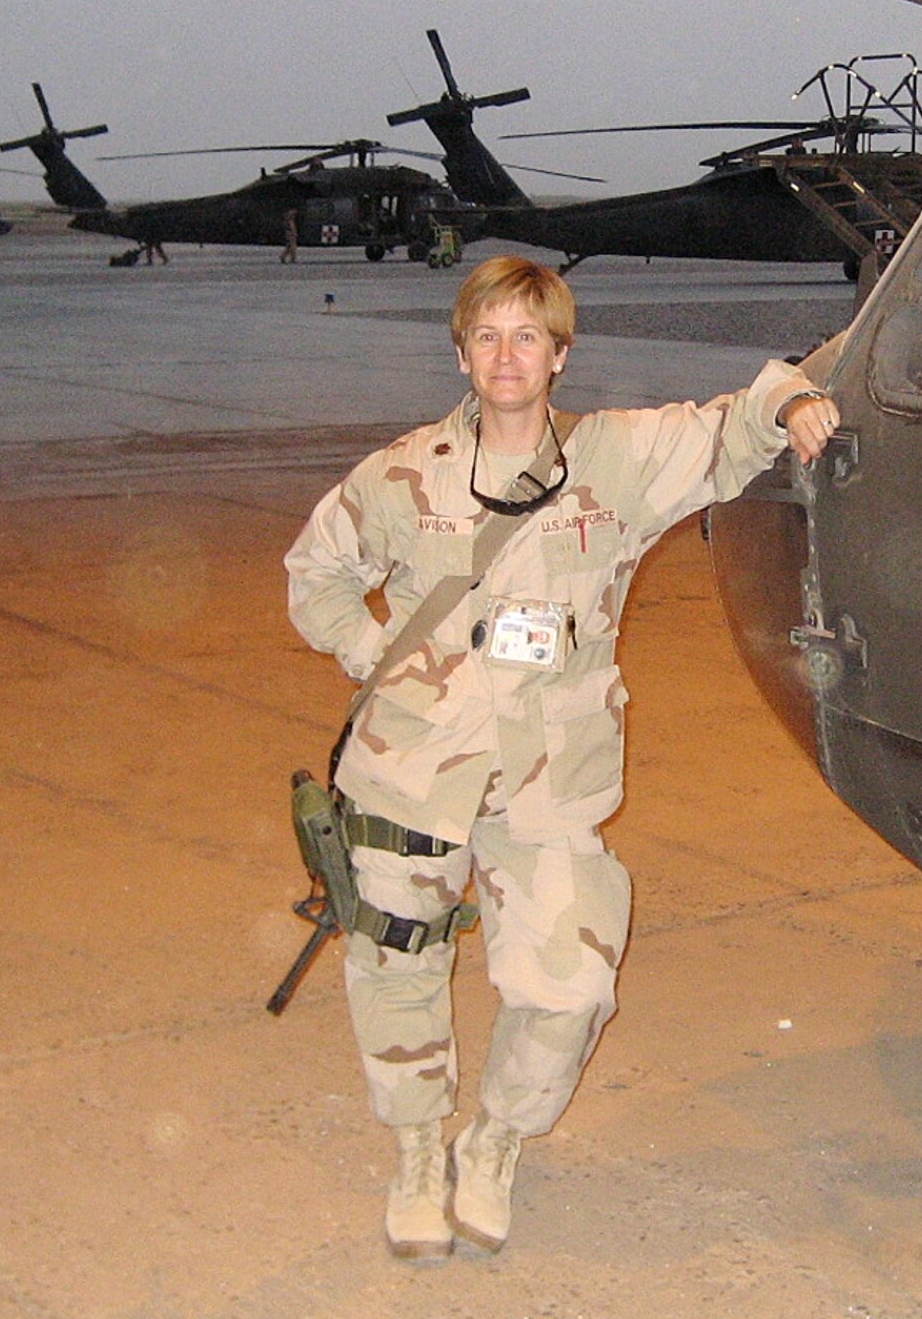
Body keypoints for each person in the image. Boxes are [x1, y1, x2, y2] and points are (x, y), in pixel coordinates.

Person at [285, 255, 836, 1263]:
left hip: (547, 781)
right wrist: (375, 655)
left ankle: (494, 1142)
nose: (507, 356)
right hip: (410, 770)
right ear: (461, 352)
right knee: (393, 969)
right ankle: (417, 1154)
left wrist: (795, 396)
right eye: (487, 336)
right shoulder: (402, 473)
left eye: (527, 337)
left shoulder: (615, 462)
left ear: (559, 355)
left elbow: (734, 421)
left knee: (570, 983)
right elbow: (314, 575)